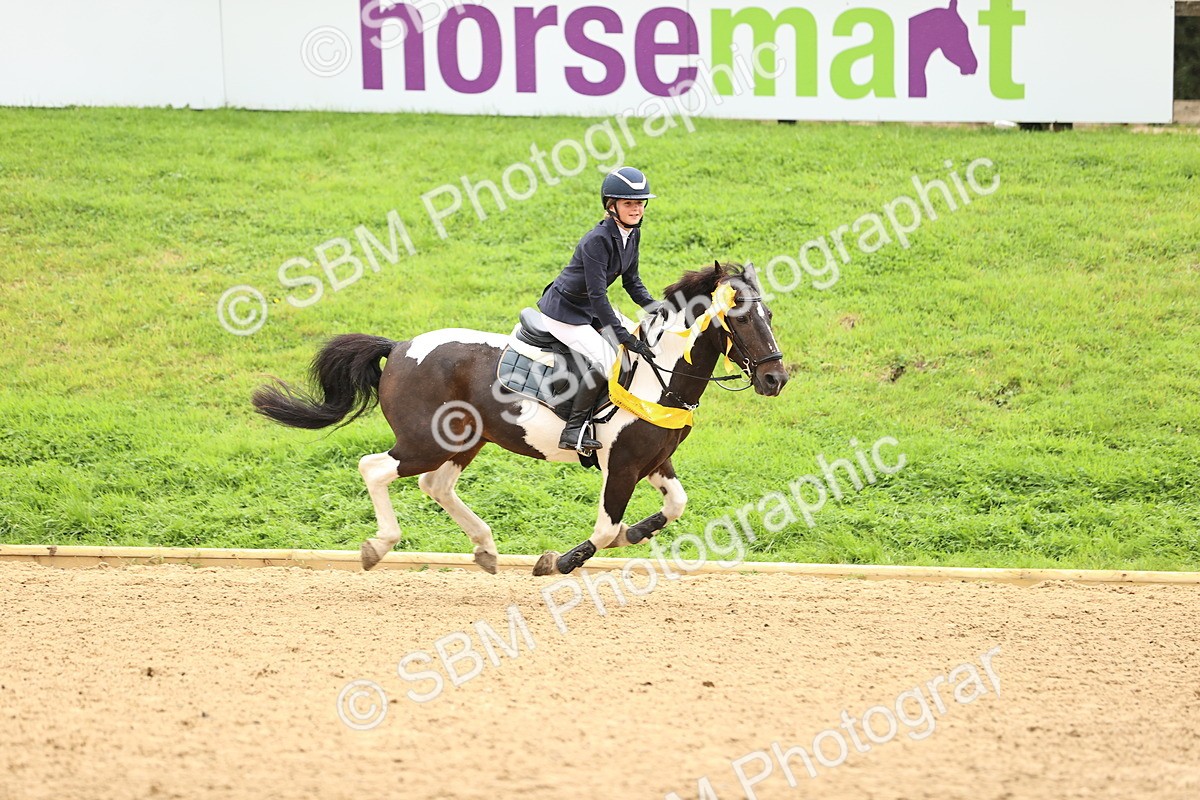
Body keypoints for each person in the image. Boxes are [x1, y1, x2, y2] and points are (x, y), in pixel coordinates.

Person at [537, 166, 664, 452]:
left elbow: (632, 281)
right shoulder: (597, 240)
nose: (637, 209)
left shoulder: (632, 234)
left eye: (641, 203)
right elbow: (598, 295)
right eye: (629, 203)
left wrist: (657, 308)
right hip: (566, 312)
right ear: (612, 205)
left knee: (638, 342)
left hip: (589, 309)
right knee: (610, 360)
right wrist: (622, 336)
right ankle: (573, 430)